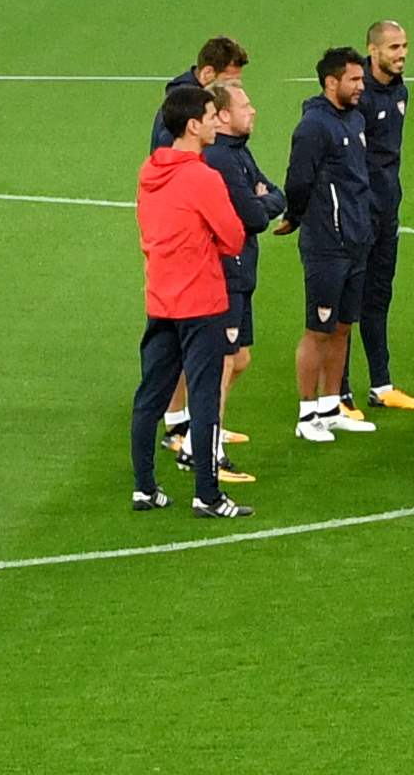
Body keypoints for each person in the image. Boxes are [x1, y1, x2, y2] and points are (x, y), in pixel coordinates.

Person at [130, 84, 250, 518]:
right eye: (211, 115)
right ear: (193, 125)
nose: (219, 121)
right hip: (200, 300)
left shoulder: (150, 171)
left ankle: (144, 488)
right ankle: (207, 494)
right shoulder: (202, 177)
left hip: (161, 297)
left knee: (151, 396)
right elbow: (234, 235)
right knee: (203, 396)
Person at [284, 46, 386, 442]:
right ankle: (306, 414)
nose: (362, 85)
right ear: (331, 82)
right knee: (318, 329)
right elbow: (298, 180)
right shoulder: (313, 126)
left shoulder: (354, 119)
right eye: (355, 80)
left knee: (343, 326)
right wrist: (297, 217)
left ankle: (331, 406)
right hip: (327, 244)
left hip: (357, 240)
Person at [350, 17, 414, 411]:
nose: (402, 54)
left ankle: (381, 386)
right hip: (357, 214)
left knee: (379, 298)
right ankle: (340, 393)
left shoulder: (400, 91)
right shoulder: (357, 95)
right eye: (394, 47)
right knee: (349, 303)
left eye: (404, 46)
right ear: (373, 50)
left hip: (387, 211)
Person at [203, 76, 280, 449]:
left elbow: (274, 195)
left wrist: (260, 200)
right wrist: (259, 201)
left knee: (241, 358)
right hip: (224, 273)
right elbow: (256, 216)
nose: (253, 111)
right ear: (220, 116)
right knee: (224, 361)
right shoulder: (219, 157)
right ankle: (205, 443)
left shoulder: (238, 152)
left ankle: (203, 429)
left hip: (241, 270)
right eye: (244, 106)